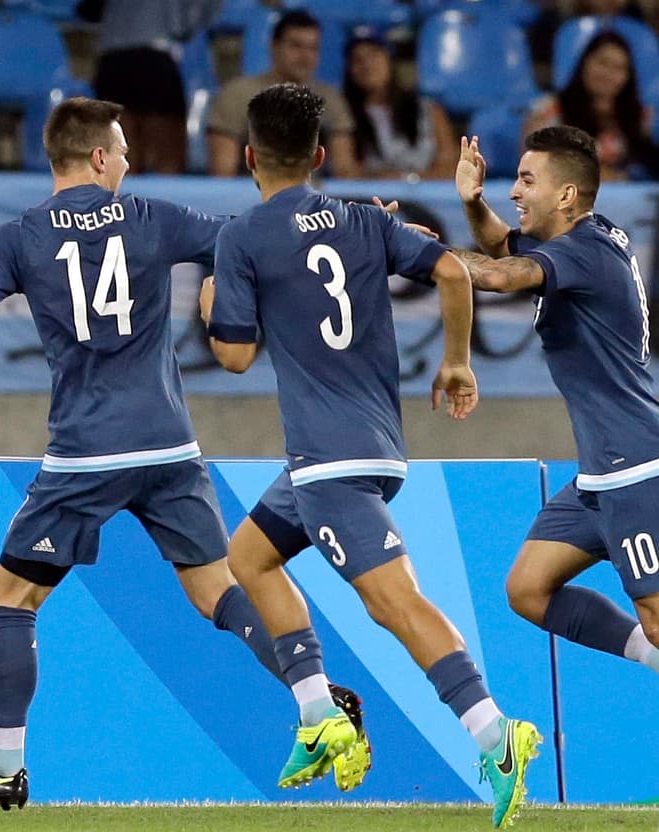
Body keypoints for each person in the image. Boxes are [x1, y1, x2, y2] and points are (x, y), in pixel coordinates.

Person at [0, 96, 372, 809]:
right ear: (99, 157)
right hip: (171, 448)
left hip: (87, 455)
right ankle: (318, 701)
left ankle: (4, 769)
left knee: (10, 597)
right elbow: (257, 236)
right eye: (123, 151)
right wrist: (359, 230)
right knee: (215, 592)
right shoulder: (154, 218)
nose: (128, 162)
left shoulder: (20, 237)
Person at [202, 83, 539, 828]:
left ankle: (495, 734)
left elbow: (232, 355)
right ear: (321, 155)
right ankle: (318, 715)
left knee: (393, 602)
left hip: (329, 460)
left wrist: (209, 304)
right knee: (250, 556)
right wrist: (457, 361)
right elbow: (452, 270)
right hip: (366, 446)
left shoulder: (244, 237)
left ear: (249, 157)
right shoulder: (365, 219)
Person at [453, 129, 659, 718]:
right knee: (528, 589)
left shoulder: (582, 252)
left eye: (527, 180)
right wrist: (471, 203)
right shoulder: (585, 240)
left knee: (657, 618)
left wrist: (412, 251)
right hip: (600, 471)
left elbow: (498, 276)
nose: (514, 191)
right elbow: (503, 249)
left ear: (566, 194)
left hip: (634, 468)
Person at [205, 10, 358, 179]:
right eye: (296, 46)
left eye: (313, 48)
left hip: (312, 193)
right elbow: (222, 172)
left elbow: (344, 170)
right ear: (274, 47)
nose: (305, 56)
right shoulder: (237, 95)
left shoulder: (330, 99)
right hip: (251, 192)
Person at [89, 0, 223, 174]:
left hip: (111, 61)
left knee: (120, 159)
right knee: (167, 162)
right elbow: (185, 25)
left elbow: (88, 11)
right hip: (154, 60)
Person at [523, 31, 658, 182]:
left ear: (628, 76)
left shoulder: (641, 116)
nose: (608, 74)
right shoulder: (548, 110)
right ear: (584, 63)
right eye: (602, 63)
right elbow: (533, 167)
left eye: (619, 68)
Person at [342, 30, 455, 181]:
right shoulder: (342, 116)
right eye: (357, 59)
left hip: (426, 193)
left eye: (373, 54)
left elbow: (450, 168)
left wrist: (407, 178)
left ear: (389, 59)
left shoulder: (429, 110)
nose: (366, 64)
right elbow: (346, 172)